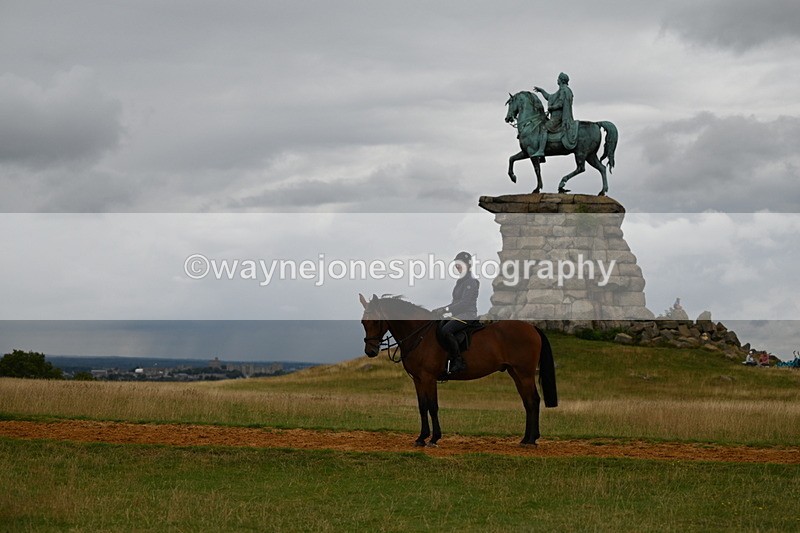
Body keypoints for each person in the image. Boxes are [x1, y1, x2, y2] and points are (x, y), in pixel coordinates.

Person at [433, 251, 480, 375]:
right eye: (456, 264)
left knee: (446, 331)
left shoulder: (471, 282)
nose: (457, 266)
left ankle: (458, 361)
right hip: (458, 315)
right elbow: (455, 303)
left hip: (468, 315)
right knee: (438, 326)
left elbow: (464, 304)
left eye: (460, 264)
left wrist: (446, 310)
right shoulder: (461, 282)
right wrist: (443, 310)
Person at [534, 72, 578, 150]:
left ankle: (541, 150)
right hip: (557, 117)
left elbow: (560, 104)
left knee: (544, 128)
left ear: (561, 80)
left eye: (558, 78)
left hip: (558, 118)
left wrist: (551, 108)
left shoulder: (563, 90)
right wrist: (542, 91)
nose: (557, 80)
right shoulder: (562, 90)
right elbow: (550, 97)